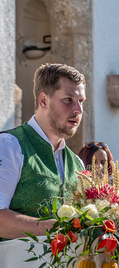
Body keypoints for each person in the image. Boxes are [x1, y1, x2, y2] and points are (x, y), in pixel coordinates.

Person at [0, 63, 86, 239]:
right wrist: (60, 229)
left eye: (81, 101)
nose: (78, 110)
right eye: (68, 99)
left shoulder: (77, 163)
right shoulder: (9, 145)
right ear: (44, 101)